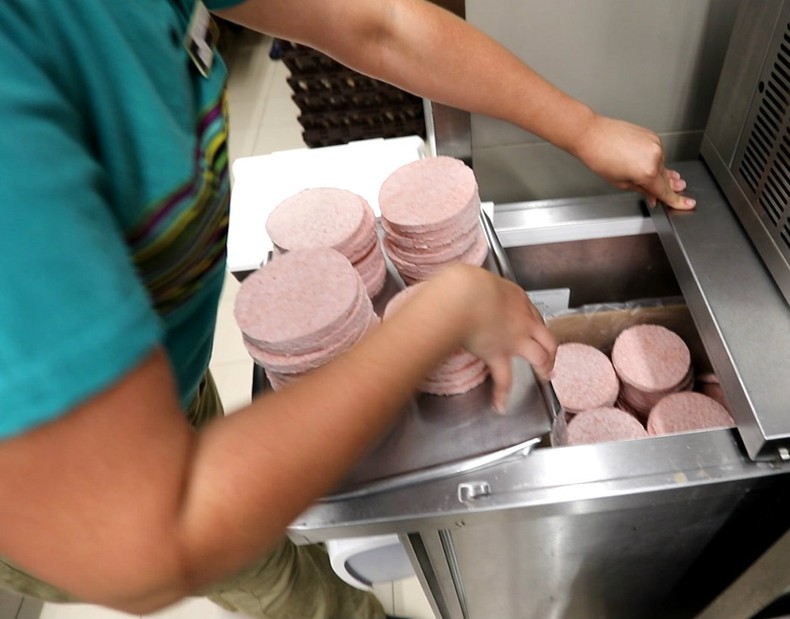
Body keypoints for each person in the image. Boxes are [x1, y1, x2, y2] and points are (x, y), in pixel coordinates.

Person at [0, 1, 695, 618]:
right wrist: (438, 314)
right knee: (274, 581)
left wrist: (581, 125)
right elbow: (150, 544)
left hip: (156, 379)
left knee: (262, 549)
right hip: (55, 481)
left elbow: (377, 21)